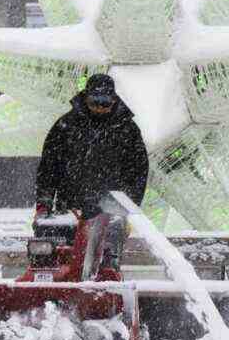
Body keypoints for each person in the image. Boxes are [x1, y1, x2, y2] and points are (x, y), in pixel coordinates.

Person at [35, 73, 149, 270]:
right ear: (85, 97)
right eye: (95, 101)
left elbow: (138, 172)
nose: (100, 107)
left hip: (110, 208)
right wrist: (44, 203)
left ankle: (106, 283)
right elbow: (49, 167)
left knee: (106, 259)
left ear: (114, 100)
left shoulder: (127, 129)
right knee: (59, 260)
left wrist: (129, 208)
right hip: (70, 205)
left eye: (105, 102)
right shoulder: (66, 126)